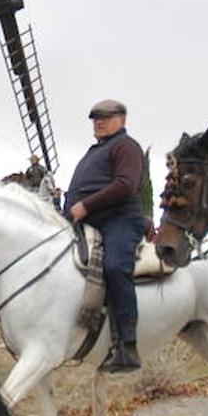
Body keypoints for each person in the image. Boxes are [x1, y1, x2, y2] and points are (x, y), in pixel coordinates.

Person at [64, 98, 146, 374]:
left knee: (115, 267)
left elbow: (125, 185)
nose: (98, 122)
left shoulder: (126, 146)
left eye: (105, 117)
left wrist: (85, 205)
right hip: (88, 222)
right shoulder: (95, 151)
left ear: (122, 120)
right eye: (95, 118)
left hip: (120, 220)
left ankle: (127, 346)